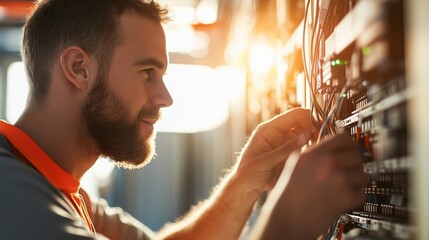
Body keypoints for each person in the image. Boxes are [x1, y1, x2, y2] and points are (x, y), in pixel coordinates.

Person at [0, 0, 365, 239]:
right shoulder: (15, 199)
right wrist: (287, 224)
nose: (165, 98)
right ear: (79, 68)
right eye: (147, 72)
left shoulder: (60, 189)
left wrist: (243, 184)